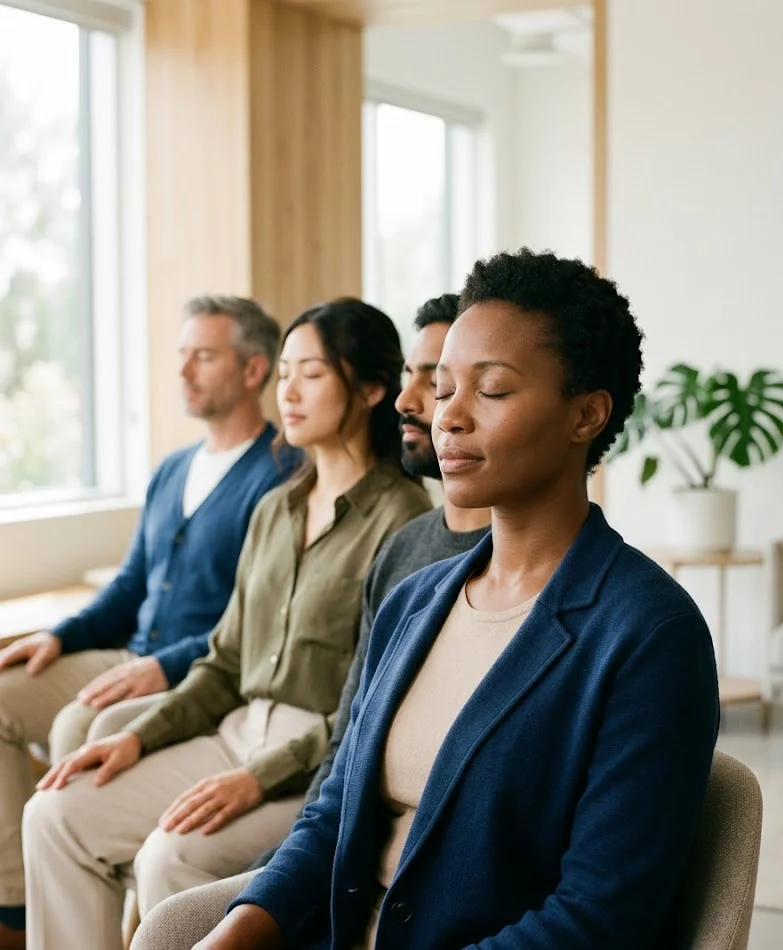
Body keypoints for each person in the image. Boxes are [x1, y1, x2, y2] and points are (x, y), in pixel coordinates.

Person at [189, 249, 720, 950]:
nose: (450, 418)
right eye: (443, 389)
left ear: (585, 415)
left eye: (491, 391)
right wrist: (231, 934)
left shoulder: (647, 635)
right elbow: (333, 815)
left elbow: (598, 919)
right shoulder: (416, 600)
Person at [21, 298, 432, 950]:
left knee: (171, 856)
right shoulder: (275, 509)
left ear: (371, 389)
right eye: (285, 372)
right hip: (235, 729)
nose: (288, 391)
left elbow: (371, 715)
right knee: (53, 815)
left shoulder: (405, 523)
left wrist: (256, 779)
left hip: (313, 760)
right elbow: (225, 659)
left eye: (312, 373)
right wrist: (138, 738)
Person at [0, 294, 300, 950]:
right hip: (129, 656)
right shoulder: (173, 468)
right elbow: (131, 585)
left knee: (81, 729)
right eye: (181, 356)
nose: (184, 371)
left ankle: (100, 908)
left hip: (195, 668)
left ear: (253, 371)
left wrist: (160, 667)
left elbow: (252, 624)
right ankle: (17, 903)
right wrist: (60, 636)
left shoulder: (282, 477)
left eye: (204, 355)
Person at [246, 292, 491, 873]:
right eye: (419, 377)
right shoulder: (405, 551)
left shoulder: (401, 520)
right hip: (353, 841)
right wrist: (290, 873)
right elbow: (352, 737)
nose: (413, 401)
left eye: (440, 382)